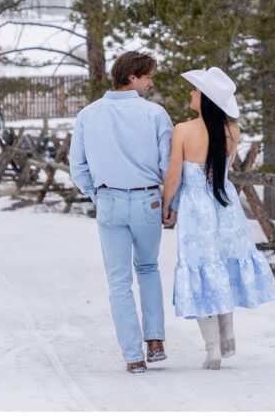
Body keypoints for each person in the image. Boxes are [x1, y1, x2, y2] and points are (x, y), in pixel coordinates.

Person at [161, 66, 275, 370]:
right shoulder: (232, 131)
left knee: (200, 268)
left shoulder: (183, 130)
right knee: (223, 266)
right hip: (224, 205)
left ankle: (212, 347)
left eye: (196, 90)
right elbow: (222, 171)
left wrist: (166, 205)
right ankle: (228, 334)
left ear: (206, 98)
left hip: (195, 207)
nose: (191, 92)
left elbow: (174, 176)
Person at [69, 51, 176, 374]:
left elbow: (78, 166)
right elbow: (167, 165)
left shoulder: (89, 114)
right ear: (132, 76)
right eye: (148, 77)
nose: (151, 83)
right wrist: (169, 203)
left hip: (109, 201)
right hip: (146, 200)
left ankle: (132, 355)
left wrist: (96, 194)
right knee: (147, 269)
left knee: (118, 282)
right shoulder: (155, 115)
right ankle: (155, 339)